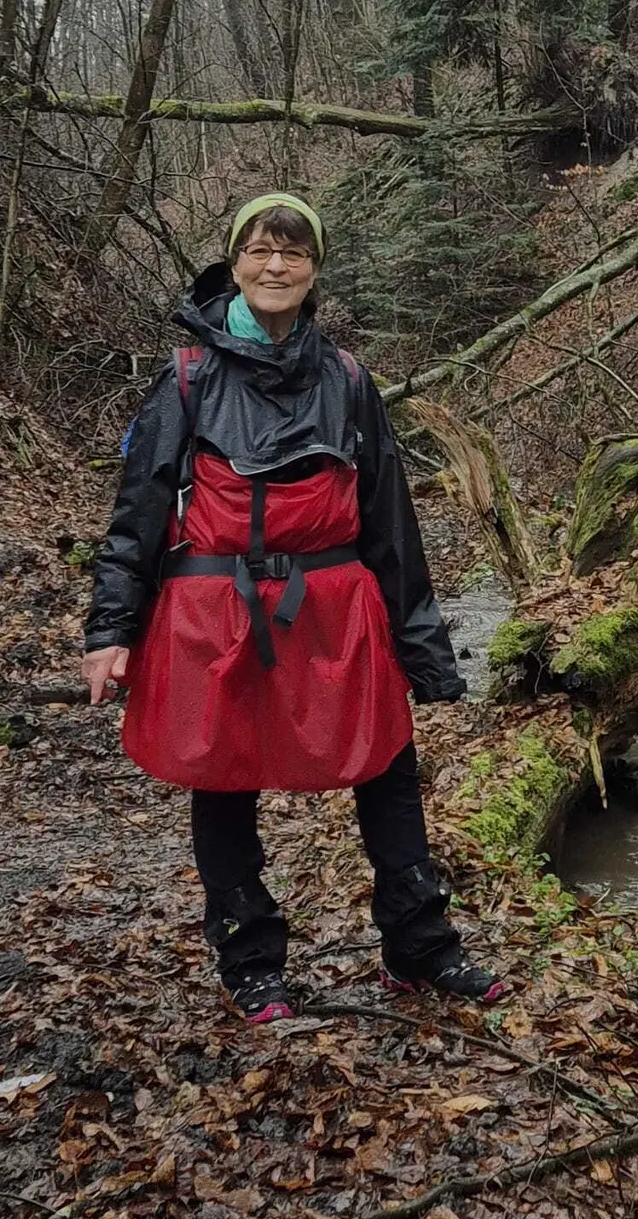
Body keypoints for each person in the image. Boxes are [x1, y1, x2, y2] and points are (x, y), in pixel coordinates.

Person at [82, 190, 504, 1024]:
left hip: (337, 609)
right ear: (234, 261)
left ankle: (419, 947)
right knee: (221, 771)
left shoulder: (348, 381)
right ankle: (251, 959)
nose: (277, 266)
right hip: (214, 612)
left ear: (314, 271)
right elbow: (136, 515)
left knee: (385, 762)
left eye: (294, 253)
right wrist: (110, 632)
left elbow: (391, 526)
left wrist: (425, 653)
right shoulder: (186, 379)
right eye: (261, 251)